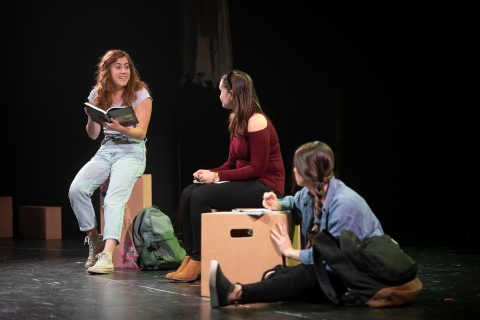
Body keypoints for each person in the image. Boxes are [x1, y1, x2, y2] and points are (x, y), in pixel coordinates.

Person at [208, 141, 384, 307]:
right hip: (334, 270)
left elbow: (333, 260)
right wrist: (278, 203)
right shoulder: (310, 194)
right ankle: (271, 287)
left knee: (303, 275)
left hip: (358, 276)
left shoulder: (344, 203)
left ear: (308, 171)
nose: (293, 169)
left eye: (297, 166)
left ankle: (235, 293)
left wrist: (290, 251)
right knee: (278, 274)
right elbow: (293, 201)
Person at [168, 70, 286, 282]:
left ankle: (201, 258)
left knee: (201, 196)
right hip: (249, 181)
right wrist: (210, 173)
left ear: (232, 94)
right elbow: (232, 163)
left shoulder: (256, 121)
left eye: (221, 91)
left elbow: (257, 169)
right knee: (189, 192)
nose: (219, 95)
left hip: (265, 186)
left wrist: (217, 176)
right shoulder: (237, 119)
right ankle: (191, 254)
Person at [68, 49, 152, 274]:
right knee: (76, 189)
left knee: (113, 199)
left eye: (126, 66)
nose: (124, 71)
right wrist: (91, 116)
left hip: (132, 150)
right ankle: (94, 239)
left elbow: (141, 132)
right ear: (107, 71)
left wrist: (120, 128)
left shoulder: (139, 93)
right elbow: (94, 135)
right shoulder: (98, 93)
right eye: (118, 67)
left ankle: (107, 255)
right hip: (107, 150)